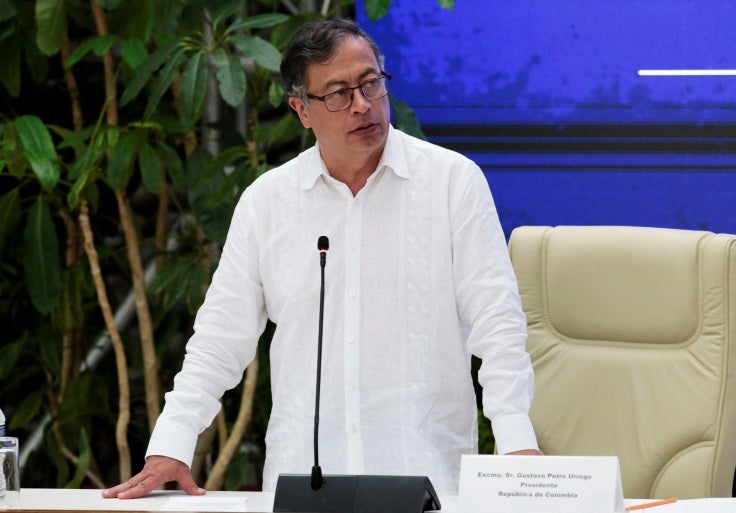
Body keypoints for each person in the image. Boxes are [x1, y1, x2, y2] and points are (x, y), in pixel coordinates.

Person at [102, 18, 539, 500]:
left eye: (371, 83)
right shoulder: (268, 201)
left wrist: (515, 443)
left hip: (427, 481)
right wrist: (173, 443)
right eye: (337, 93)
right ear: (301, 110)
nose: (362, 105)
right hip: (303, 487)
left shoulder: (452, 183)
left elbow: (497, 324)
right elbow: (219, 340)